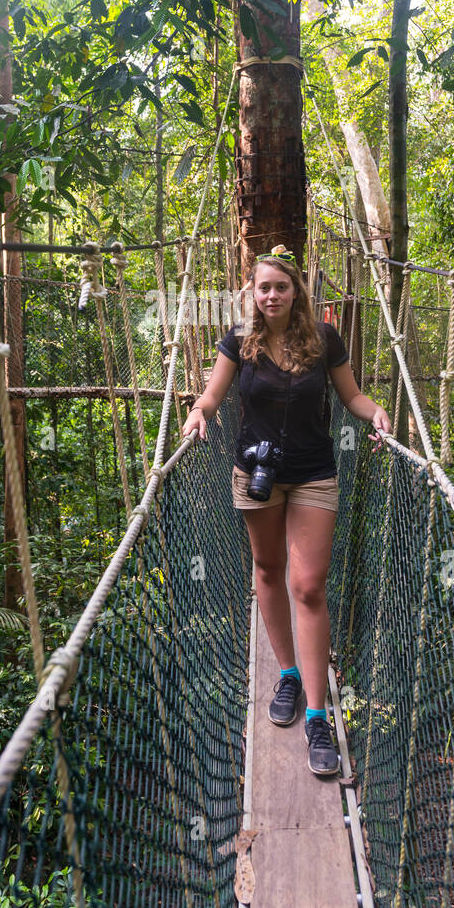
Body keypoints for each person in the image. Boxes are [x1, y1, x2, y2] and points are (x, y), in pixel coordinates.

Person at [181, 245, 391, 776]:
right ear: (251, 293)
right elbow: (211, 396)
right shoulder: (239, 342)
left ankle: (318, 716)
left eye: (280, 286)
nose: (271, 295)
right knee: (269, 571)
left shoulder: (324, 340)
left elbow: (353, 398)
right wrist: (199, 414)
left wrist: (378, 413)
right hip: (255, 473)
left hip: (314, 473)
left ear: (296, 290)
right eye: (262, 287)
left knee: (309, 585)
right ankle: (289, 673)